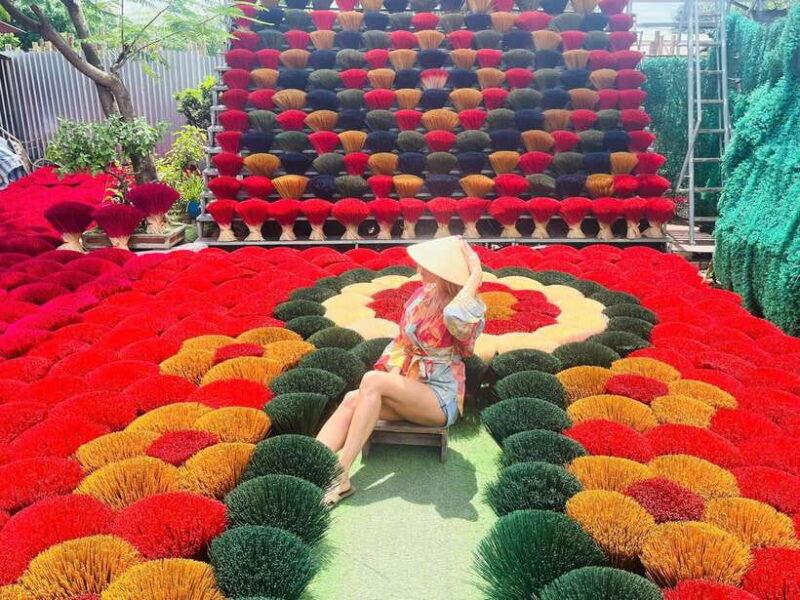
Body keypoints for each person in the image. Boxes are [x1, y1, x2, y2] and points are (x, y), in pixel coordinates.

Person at [316, 236, 486, 506]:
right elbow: (401, 342)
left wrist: (475, 275)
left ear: (443, 270)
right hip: (411, 387)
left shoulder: (467, 307)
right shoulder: (422, 296)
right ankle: (311, 466)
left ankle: (341, 474)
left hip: (440, 398)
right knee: (353, 398)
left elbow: (458, 322)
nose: (419, 268)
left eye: (426, 265)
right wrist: (388, 380)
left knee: (372, 381)